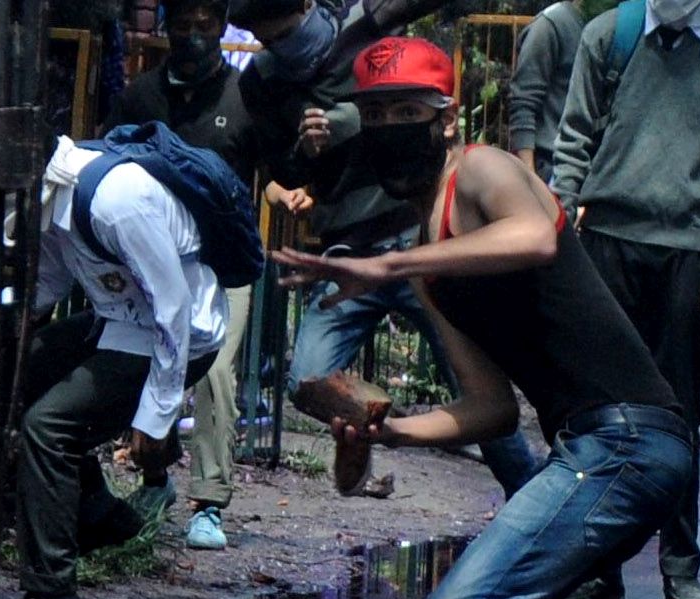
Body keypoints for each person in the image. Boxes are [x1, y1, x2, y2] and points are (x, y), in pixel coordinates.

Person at [279, 36, 686, 599]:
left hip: (629, 438)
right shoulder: (434, 266)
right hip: (587, 447)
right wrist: (382, 431)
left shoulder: (484, 169)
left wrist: (387, 266)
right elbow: (489, 409)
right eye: (376, 114)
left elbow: (536, 235)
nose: (392, 127)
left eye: (408, 112)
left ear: (445, 118)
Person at [233, 0, 542, 496]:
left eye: (285, 32)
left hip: (413, 239)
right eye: (266, 40)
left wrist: (348, 121)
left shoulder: (362, 25)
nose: (279, 47)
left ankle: (528, 494)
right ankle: (377, 430)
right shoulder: (262, 80)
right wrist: (306, 152)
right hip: (349, 252)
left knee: (476, 390)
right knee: (307, 379)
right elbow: (282, 172)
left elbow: (407, 96)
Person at [549, 0, 700, 599]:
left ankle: (680, 564)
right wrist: (555, 230)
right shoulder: (608, 36)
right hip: (607, 240)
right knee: (600, 409)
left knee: (678, 411)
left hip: (687, 252)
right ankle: (600, 567)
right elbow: (573, 139)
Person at [0, 134, 227, 599]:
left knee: (48, 427)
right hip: (119, 320)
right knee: (17, 375)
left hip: (181, 335)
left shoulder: (116, 201)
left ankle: (53, 598)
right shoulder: (56, 200)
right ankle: (97, 515)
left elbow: (173, 309)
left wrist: (156, 415)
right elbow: (50, 282)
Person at [113, 0, 277, 548]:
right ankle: (155, 477)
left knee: (215, 373)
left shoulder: (245, 95)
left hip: (224, 259)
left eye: (205, 25)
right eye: (182, 25)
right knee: (147, 366)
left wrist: (290, 191)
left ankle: (208, 502)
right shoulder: (142, 96)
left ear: (221, 25)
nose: (194, 35)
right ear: (167, 29)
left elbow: (273, 169)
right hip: (154, 260)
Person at [510, 0, 619, 179]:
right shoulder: (550, 25)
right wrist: (530, 177)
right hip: (549, 163)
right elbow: (523, 103)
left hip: (589, 166)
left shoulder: (610, 28)